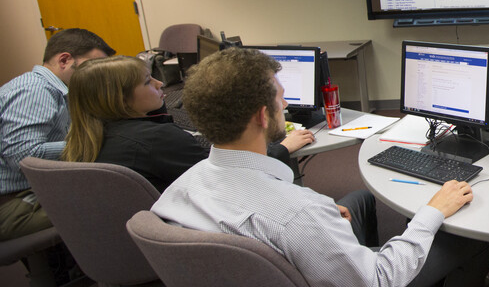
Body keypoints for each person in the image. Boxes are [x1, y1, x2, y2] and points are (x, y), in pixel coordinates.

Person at [151, 47, 489, 287]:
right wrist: (432, 212)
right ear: (261, 116)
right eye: (279, 96)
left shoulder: (181, 188)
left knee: (358, 200)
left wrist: (323, 218)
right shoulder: (298, 215)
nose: (285, 102)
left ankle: (368, 261)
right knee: (466, 236)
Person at [61, 56, 316, 192]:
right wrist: (283, 147)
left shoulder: (87, 134)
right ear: (120, 99)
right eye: (148, 82)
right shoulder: (155, 141)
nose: (161, 85)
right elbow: (231, 171)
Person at [0, 28, 113, 240]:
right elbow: (23, 156)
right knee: (112, 201)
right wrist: (96, 142)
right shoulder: (34, 90)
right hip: (12, 203)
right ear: (64, 60)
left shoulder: (56, 90)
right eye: (93, 66)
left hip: (26, 193)